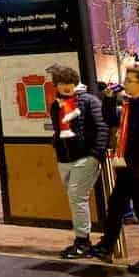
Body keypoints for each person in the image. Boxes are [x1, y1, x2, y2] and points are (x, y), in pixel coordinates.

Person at [89, 67, 139, 273]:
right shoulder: (131, 105)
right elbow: (110, 120)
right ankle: (107, 245)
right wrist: (108, 99)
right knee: (116, 206)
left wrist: (131, 160)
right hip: (131, 168)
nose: (126, 82)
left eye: (130, 80)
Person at [46, 66, 109, 258]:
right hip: (65, 158)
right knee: (75, 198)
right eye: (61, 84)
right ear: (56, 85)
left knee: (76, 197)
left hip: (85, 158)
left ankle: (83, 241)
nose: (65, 87)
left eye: (69, 83)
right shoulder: (56, 104)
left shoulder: (89, 101)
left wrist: (95, 154)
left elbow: (101, 127)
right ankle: (82, 240)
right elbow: (58, 129)